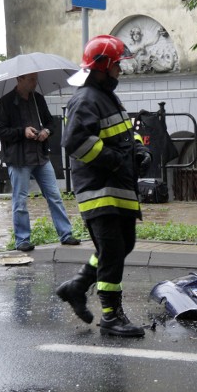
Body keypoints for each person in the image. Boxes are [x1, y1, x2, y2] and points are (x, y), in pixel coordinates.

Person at [56, 35, 152, 337]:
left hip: (118, 189)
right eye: (117, 66)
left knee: (124, 245)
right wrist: (113, 161)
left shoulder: (107, 97)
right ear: (105, 66)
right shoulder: (85, 99)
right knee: (112, 249)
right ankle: (111, 316)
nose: (120, 71)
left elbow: (124, 132)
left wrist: (138, 150)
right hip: (100, 191)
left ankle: (77, 286)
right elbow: (74, 142)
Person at [0, 73, 81, 252]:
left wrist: (46, 131)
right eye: (31, 79)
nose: (35, 82)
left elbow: (50, 122)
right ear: (20, 79)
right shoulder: (5, 102)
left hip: (40, 157)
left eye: (36, 78)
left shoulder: (38, 99)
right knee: (20, 201)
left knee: (55, 196)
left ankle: (66, 234)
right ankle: (22, 240)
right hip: (19, 159)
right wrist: (22, 132)